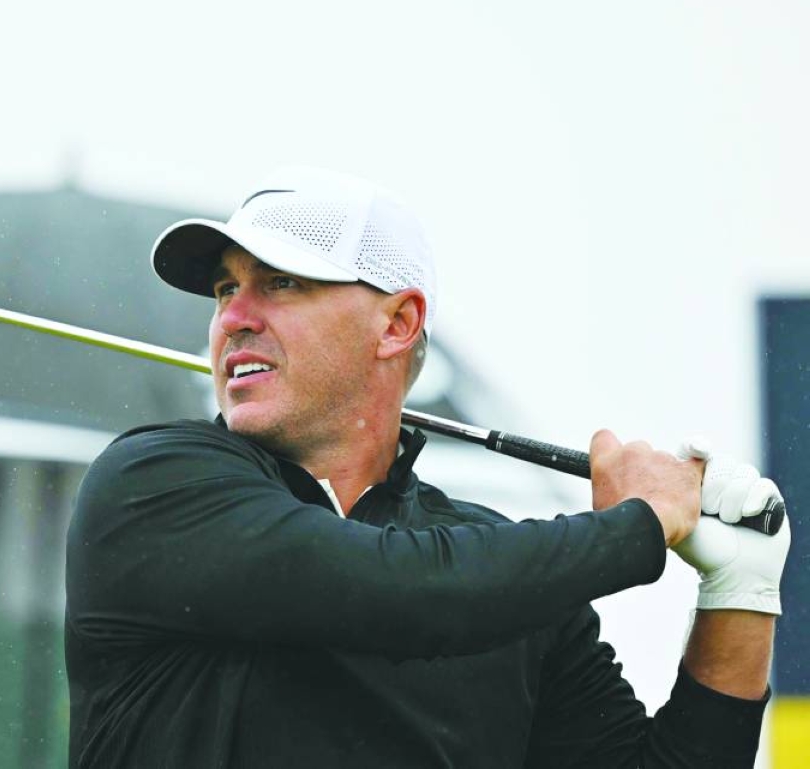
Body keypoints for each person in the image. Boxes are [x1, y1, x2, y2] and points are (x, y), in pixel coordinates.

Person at [64, 166, 791, 767]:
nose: (234, 316)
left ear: (398, 323)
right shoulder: (153, 483)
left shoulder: (512, 584)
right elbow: (392, 590)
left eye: (281, 283)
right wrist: (638, 524)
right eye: (227, 289)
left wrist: (741, 592)